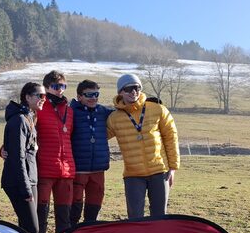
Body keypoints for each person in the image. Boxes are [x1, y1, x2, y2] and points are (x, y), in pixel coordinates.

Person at [107, 73, 180, 218]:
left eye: (137, 87)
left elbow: (171, 137)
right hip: (133, 175)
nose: (134, 91)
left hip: (160, 172)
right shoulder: (114, 118)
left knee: (160, 217)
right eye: (128, 89)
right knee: (134, 218)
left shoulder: (158, 109)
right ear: (120, 92)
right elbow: (99, 137)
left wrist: (173, 168)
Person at [35, 70, 75, 233]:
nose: (60, 90)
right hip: (44, 169)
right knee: (41, 217)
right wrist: (4, 150)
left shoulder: (70, 111)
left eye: (63, 86)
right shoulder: (39, 109)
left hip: (66, 172)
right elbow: (23, 134)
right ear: (46, 87)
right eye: (56, 86)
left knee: (64, 219)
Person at [2, 83, 46, 233]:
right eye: (40, 96)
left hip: (30, 179)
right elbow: (17, 157)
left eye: (45, 96)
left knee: (26, 228)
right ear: (27, 97)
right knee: (31, 229)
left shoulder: (30, 117)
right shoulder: (19, 120)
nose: (43, 99)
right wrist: (25, 188)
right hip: (18, 182)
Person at [69, 80, 113, 223]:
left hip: (98, 170)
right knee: (74, 210)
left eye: (96, 94)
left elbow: (122, 114)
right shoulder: (70, 113)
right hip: (78, 170)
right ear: (79, 96)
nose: (93, 97)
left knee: (93, 211)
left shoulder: (102, 111)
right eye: (89, 94)